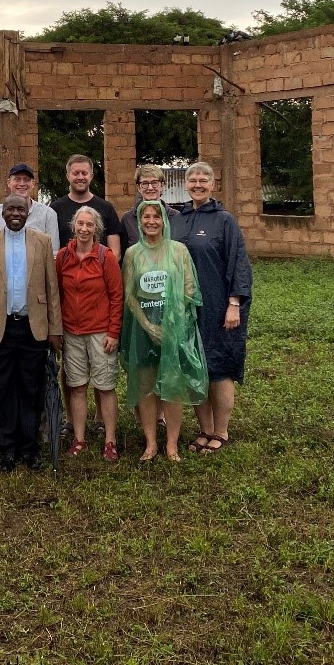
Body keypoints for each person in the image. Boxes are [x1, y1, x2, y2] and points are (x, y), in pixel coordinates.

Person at [0, 194, 63, 472]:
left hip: (33, 327)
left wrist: (55, 329)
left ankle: (29, 448)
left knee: (31, 388)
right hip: (0, 327)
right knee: (3, 388)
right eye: (10, 209)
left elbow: (52, 288)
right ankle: (7, 449)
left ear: (27, 213)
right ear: (2, 213)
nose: (15, 213)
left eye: (20, 209)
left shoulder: (42, 242)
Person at [171, 162, 253, 455]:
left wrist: (234, 304)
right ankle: (205, 429)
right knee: (195, 367)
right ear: (186, 184)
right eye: (193, 180)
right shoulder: (177, 220)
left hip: (218, 307)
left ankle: (221, 431)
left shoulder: (224, 221)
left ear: (212, 184)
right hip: (184, 309)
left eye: (203, 180)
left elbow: (239, 263)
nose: (197, 184)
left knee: (219, 368)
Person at [120, 199, 207, 462]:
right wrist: (148, 325)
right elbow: (129, 294)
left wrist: (172, 323)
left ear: (164, 220)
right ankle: (150, 443)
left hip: (174, 328)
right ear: (139, 221)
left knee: (172, 385)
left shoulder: (178, 250)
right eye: (146, 217)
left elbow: (190, 289)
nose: (151, 221)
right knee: (146, 386)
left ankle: (171, 444)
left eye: (156, 217)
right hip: (143, 328)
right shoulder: (132, 253)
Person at [55, 205, 122, 461]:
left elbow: (116, 296)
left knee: (105, 387)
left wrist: (113, 332)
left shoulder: (106, 257)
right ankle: (79, 438)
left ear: (97, 229)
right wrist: (58, 330)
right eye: (80, 224)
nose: (84, 229)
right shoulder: (63, 256)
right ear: (73, 226)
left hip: (100, 332)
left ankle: (110, 440)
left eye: (89, 225)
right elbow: (58, 294)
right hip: (72, 331)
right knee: (77, 386)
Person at [50, 154, 122, 256]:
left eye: (84, 173)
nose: (80, 177)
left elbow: (115, 252)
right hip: (66, 265)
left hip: (100, 265)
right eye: (76, 173)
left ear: (91, 176)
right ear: (68, 176)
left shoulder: (106, 208)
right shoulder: (55, 209)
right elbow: (51, 250)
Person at [0, 163, 60, 254]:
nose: (22, 184)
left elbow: (53, 252)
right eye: (17, 179)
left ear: (33, 184)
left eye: (26, 180)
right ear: (9, 183)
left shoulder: (48, 214)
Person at [119, 164, 185, 254]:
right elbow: (124, 253)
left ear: (162, 185)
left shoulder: (176, 217)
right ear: (138, 187)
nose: (150, 188)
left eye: (154, 183)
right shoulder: (128, 219)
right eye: (145, 183)